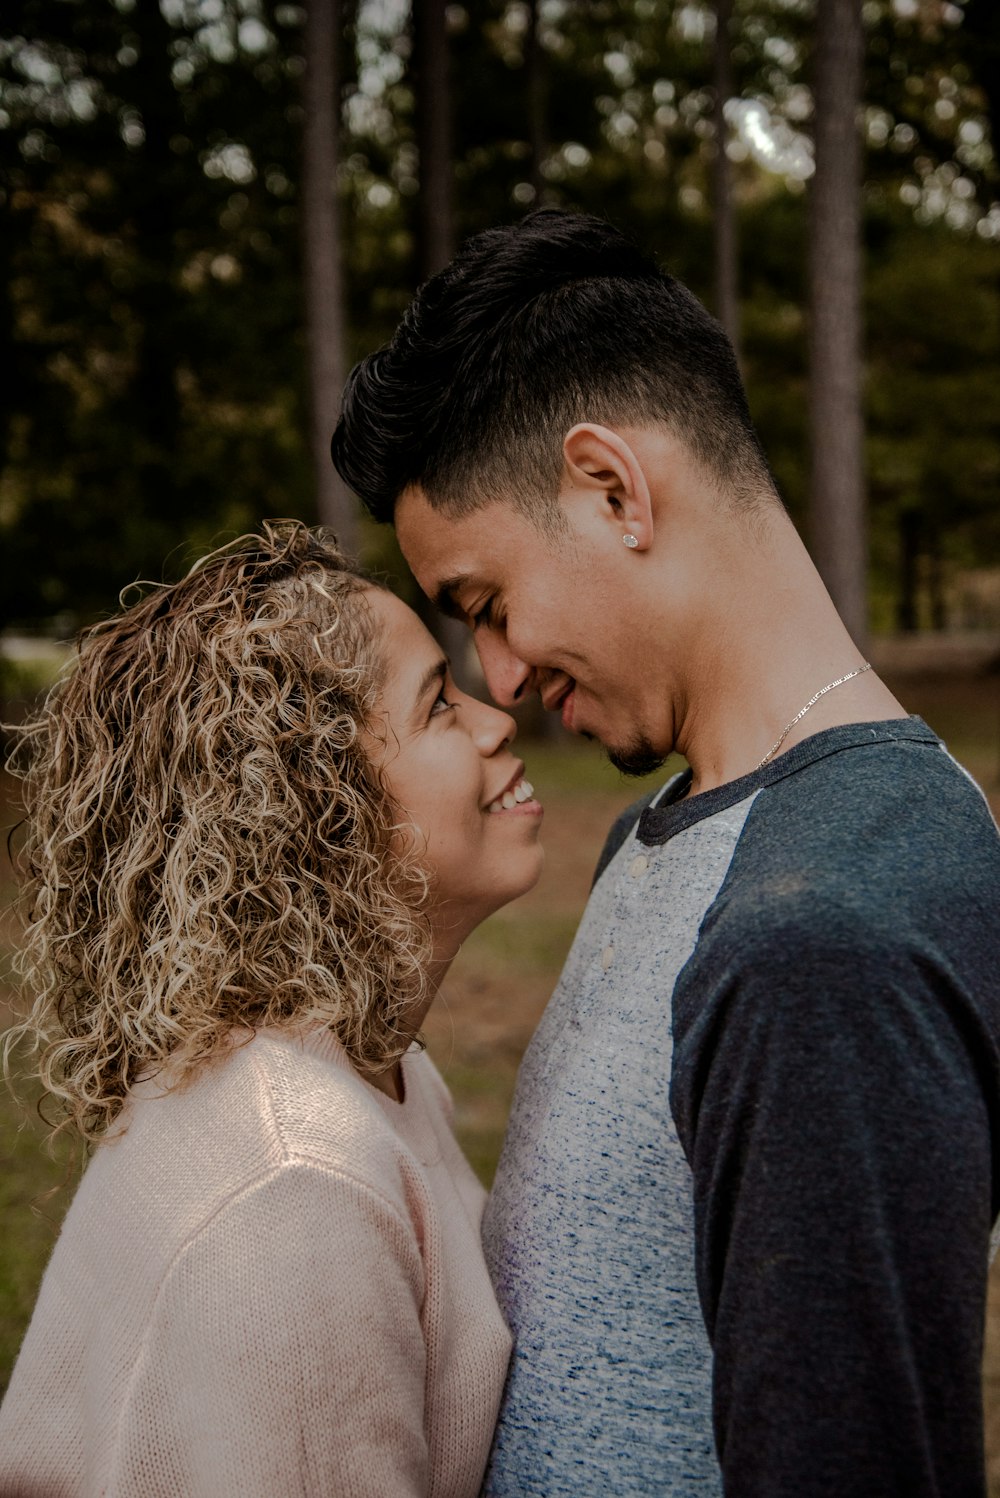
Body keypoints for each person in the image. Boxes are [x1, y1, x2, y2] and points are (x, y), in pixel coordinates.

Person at [330, 209, 1000, 1497]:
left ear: (612, 489)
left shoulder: (821, 931)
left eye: (485, 605)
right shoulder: (680, 826)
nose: (504, 677)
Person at [0, 521, 544, 1497]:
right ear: (319, 811)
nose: (498, 715)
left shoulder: (370, 1062)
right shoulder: (300, 1189)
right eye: (437, 707)